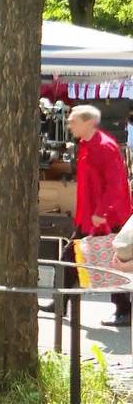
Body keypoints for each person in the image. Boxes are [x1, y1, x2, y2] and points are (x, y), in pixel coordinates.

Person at [40, 105, 132, 327]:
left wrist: (102, 212)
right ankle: (60, 302)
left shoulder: (104, 146)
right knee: (72, 258)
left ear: (88, 122)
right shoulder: (87, 145)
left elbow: (115, 183)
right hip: (90, 216)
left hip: (107, 217)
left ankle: (123, 309)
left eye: (73, 121)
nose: (69, 125)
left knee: (109, 262)